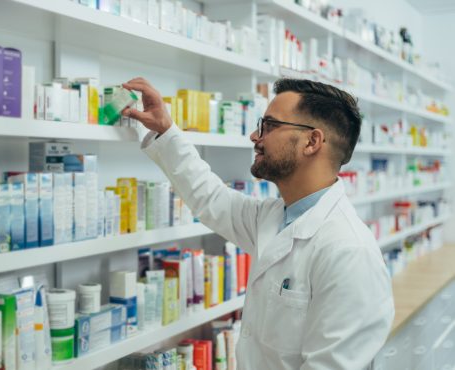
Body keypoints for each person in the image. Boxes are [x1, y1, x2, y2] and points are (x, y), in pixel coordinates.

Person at [122, 77, 395, 370]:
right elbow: (213, 199)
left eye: (269, 125)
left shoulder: (349, 251)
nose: (255, 135)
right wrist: (166, 129)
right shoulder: (277, 216)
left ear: (312, 142)